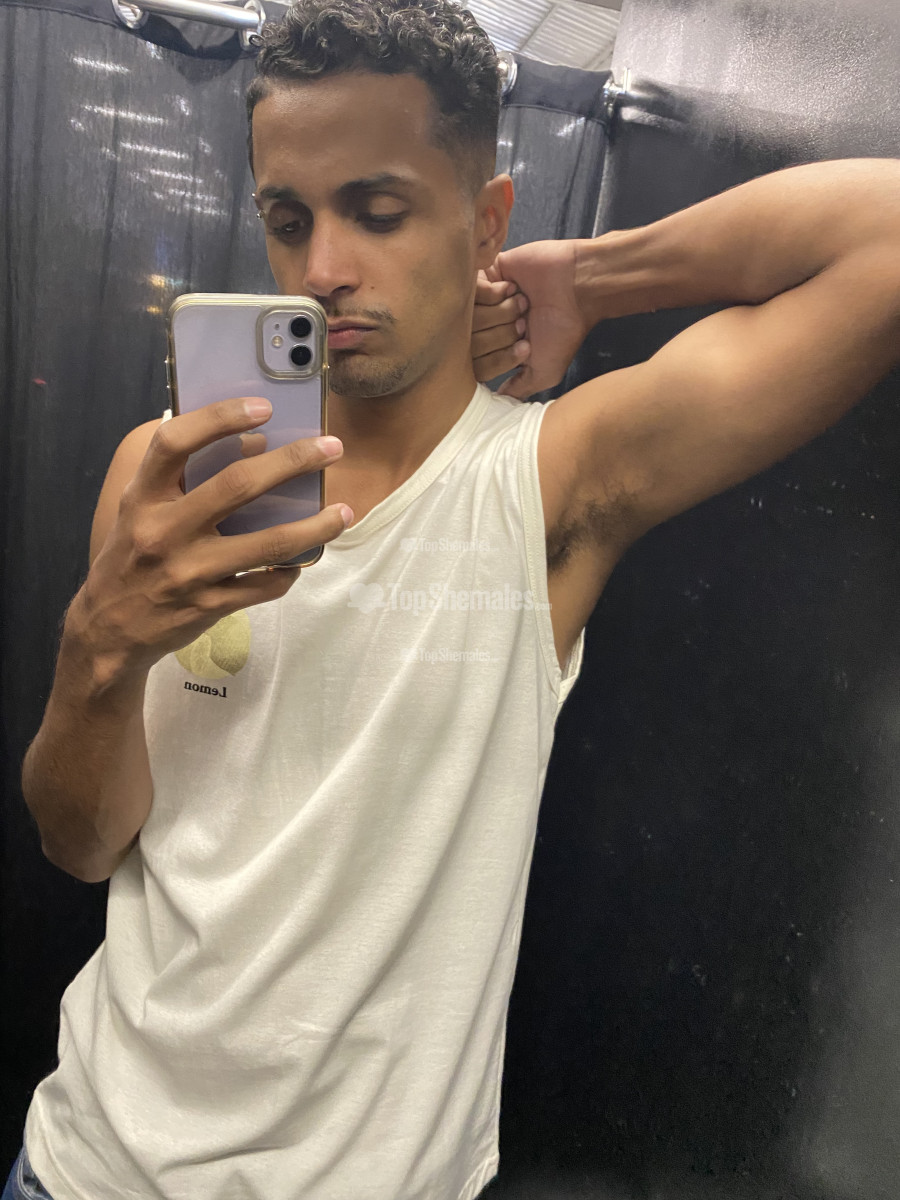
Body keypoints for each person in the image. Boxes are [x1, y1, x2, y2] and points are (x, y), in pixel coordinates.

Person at [8, 0, 900, 1195]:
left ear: (484, 222)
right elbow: (81, 845)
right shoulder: (162, 480)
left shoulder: (547, 483)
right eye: (289, 220)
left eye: (378, 211)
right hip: (86, 1164)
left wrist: (590, 275)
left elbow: (885, 237)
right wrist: (97, 652)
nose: (323, 271)